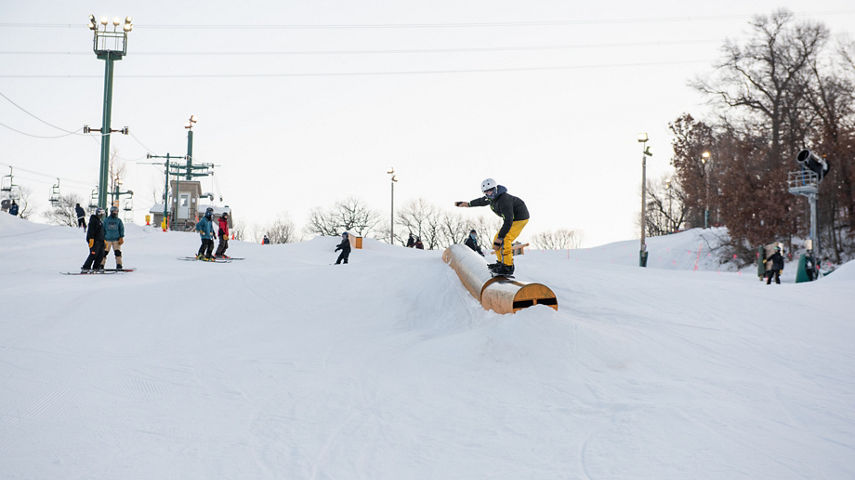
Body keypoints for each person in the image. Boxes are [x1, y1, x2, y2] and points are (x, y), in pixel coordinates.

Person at [455, 178, 529, 276]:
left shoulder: (504, 200)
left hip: (520, 218)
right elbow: (481, 201)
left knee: (505, 239)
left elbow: (508, 221)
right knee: (496, 239)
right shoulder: (490, 198)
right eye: (487, 192)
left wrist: (501, 237)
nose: (490, 194)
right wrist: (467, 204)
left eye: (491, 190)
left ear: (496, 189)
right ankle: (501, 263)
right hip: (511, 219)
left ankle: (508, 266)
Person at [81, 207, 105, 273]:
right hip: (94, 240)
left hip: (100, 241)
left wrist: (104, 239)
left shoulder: (100, 221)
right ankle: (86, 267)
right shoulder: (93, 220)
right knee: (93, 254)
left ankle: (96, 267)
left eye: (103, 213)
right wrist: (91, 239)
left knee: (101, 254)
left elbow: (102, 232)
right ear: (97, 213)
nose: (101, 214)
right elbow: (91, 231)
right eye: (100, 212)